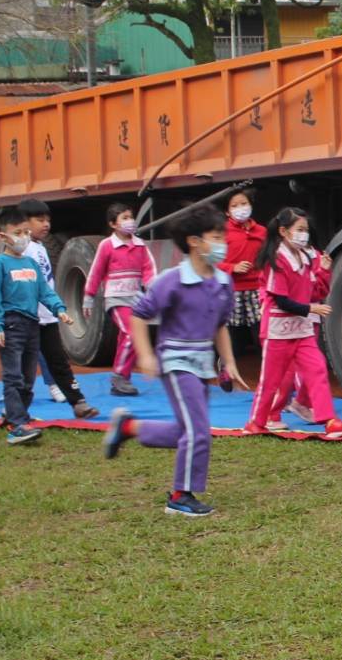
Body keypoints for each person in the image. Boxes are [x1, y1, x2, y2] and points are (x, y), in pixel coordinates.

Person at [104, 206, 245, 517]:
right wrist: (146, 355)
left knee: (187, 430)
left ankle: (129, 427)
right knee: (199, 431)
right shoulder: (172, 280)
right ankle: (180, 496)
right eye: (216, 237)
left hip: (202, 364)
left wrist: (228, 362)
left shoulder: (223, 282)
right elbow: (139, 316)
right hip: (176, 362)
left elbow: (220, 325)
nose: (223, 243)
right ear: (194, 241)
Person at [244, 208, 342, 438]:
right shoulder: (277, 260)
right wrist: (310, 309)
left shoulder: (305, 257)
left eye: (306, 230)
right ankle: (257, 422)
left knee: (317, 370)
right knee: (271, 380)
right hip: (278, 331)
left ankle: (330, 421)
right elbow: (281, 299)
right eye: (300, 230)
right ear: (284, 231)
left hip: (302, 329)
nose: (304, 235)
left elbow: (315, 290)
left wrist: (325, 272)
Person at [0, 207, 74, 444]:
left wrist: (60, 309)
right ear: (2, 236)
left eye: (26, 231)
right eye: (18, 232)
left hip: (32, 324)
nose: (23, 237)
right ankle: (17, 426)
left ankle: (18, 416)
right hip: (11, 325)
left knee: (27, 377)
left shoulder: (31, 263)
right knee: (13, 377)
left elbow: (44, 291)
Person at [16, 198, 96, 418]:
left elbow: (46, 283)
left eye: (48, 220)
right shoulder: (23, 250)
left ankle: (78, 402)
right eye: (40, 220)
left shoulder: (40, 247)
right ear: (24, 222)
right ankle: (15, 412)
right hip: (28, 318)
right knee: (26, 368)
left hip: (48, 317)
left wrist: (56, 308)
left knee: (58, 361)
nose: (46, 224)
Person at [83, 202, 157, 396]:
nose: (130, 222)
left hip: (135, 298)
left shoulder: (140, 245)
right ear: (113, 224)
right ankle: (120, 376)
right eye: (124, 218)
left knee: (127, 335)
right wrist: (88, 297)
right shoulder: (107, 245)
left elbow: (149, 269)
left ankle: (122, 377)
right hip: (115, 298)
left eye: (130, 217)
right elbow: (96, 271)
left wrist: (152, 289)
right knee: (132, 333)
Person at [219, 189, 266, 349]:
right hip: (232, 289)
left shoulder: (261, 231)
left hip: (257, 289)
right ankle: (228, 369)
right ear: (227, 211)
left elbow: (268, 257)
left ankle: (264, 368)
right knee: (233, 334)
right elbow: (211, 261)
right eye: (235, 205)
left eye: (244, 203)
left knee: (259, 329)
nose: (241, 208)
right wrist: (232, 267)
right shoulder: (221, 232)